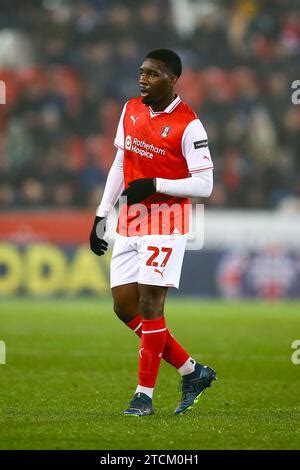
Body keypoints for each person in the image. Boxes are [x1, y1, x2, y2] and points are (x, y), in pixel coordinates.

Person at [89, 49, 216, 416]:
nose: (143, 79)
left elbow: (205, 184)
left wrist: (155, 183)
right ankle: (193, 372)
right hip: (131, 219)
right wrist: (101, 214)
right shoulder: (130, 109)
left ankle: (143, 396)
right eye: (142, 72)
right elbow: (118, 162)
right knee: (123, 306)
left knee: (149, 304)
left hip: (167, 221)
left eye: (153, 74)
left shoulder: (189, 125)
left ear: (172, 79)